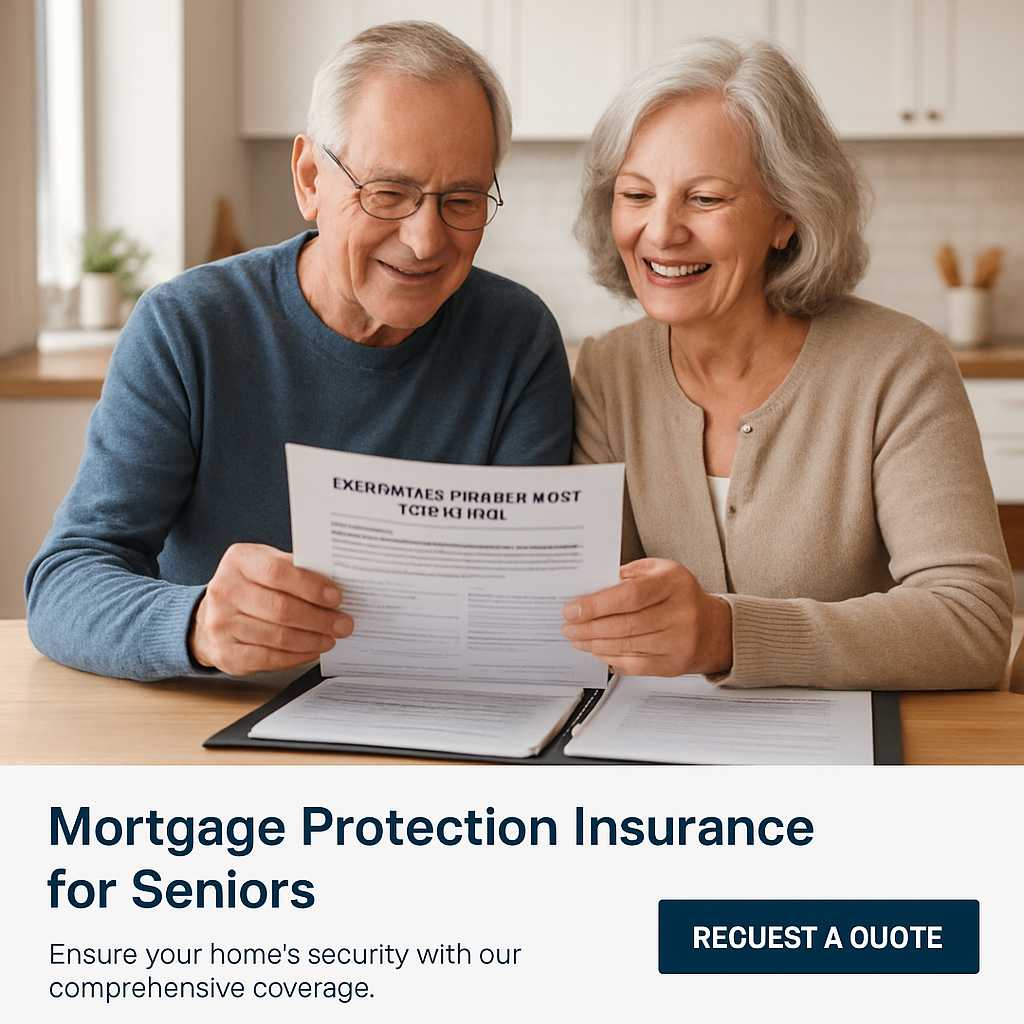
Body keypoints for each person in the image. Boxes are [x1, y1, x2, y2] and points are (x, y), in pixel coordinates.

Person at [26, 21, 572, 682]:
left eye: (461, 200)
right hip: (216, 720)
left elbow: (527, 603)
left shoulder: (517, 339)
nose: (426, 240)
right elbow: (64, 582)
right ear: (310, 178)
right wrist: (197, 624)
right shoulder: (185, 327)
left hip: (436, 719)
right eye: (388, 193)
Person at [562, 37, 1013, 690]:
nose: (660, 232)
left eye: (705, 198)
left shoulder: (898, 367)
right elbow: (593, 609)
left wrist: (727, 634)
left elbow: (971, 625)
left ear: (787, 215)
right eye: (636, 195)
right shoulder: (607, 373)